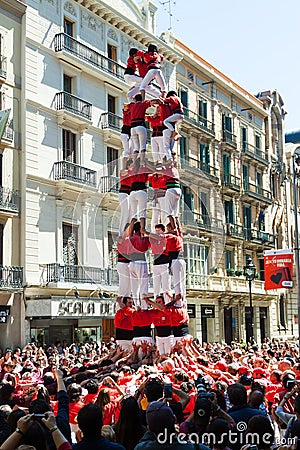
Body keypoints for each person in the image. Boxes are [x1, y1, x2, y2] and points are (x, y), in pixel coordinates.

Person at [127, 221, 150, 310]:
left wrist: (132, 222)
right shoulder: (143, 239)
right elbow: (146, 248)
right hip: (140, 262)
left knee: (134, 286)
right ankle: (144, 306)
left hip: (132, 263)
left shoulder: (131, 238)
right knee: (143, 285)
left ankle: (137, 305)